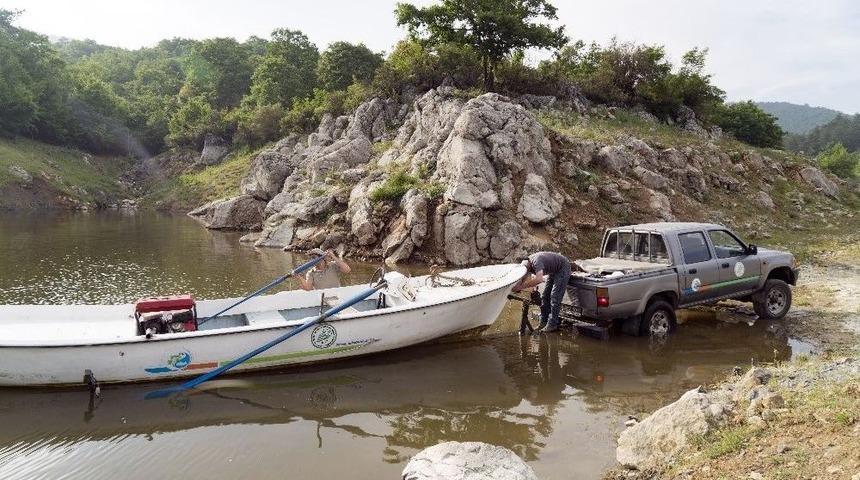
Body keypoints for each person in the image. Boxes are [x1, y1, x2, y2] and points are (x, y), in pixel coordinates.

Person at [513, 251, 572, 333]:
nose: (527, 272)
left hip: (563, 267)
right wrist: (516, 287)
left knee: (555, 297)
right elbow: (523, 278)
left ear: (529, 265)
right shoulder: (527, 265)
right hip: (553, 270)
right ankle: (543, 322)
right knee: (545, 296)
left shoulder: (537, 261)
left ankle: (552, 324)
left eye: (527, 270)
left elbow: (539, 279)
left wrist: (521, 286)